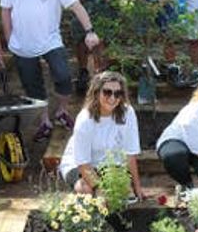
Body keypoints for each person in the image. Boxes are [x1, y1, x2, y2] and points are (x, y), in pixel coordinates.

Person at [1, 0, 100, 141]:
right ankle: (44, 121)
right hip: (22, 44)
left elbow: (75, 5)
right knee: (33, 85)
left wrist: (90, 30)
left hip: (50, 40)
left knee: (63, 76)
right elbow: (6, 10)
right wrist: (10, 38)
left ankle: (62, 111)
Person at [59, 71, 143, 199]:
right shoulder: (85, 119)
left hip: (111, 165)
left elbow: (130, 155)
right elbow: (83, 163)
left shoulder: (128, 113)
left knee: (124, 192)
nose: (112, 98)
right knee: (86, 191)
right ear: (97, 92)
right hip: (80, 164)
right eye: (107, 92)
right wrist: (101, 189)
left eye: (117, 93)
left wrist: (137, 188)